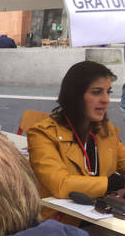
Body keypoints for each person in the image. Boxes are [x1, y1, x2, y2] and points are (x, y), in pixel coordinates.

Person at [27, 61, 125, 224]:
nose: (106, 100)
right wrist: (110, 183)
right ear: (75, 95)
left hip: (100, 218)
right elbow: (60, 184)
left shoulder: (105, 129)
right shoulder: (43, 133)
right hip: (56, 223)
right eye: (96, 92)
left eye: (108, 92)